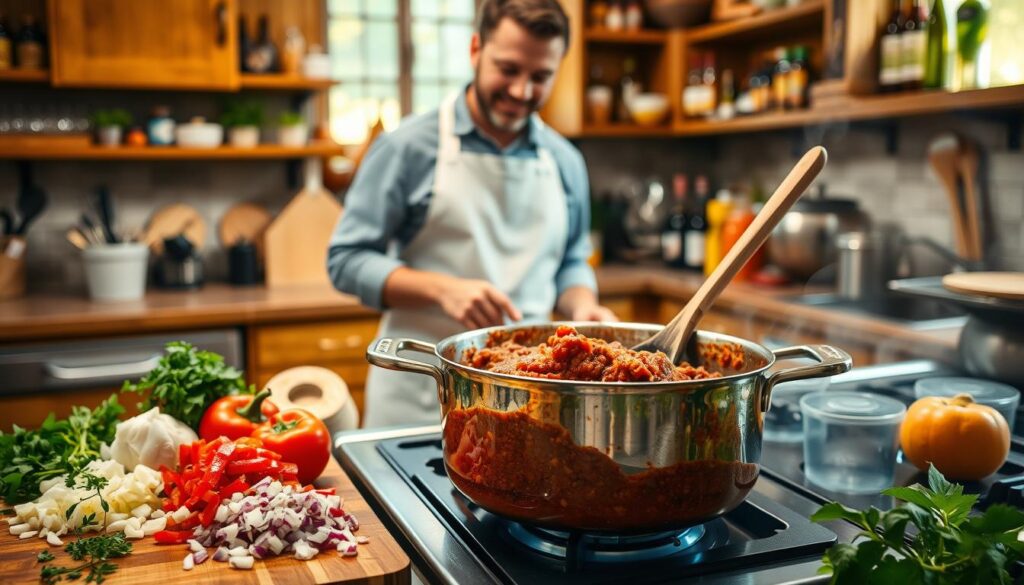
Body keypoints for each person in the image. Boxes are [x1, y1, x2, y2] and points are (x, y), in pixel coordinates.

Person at [327, 0, 617, 428]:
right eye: (508, 69)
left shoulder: (565, 160)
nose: (521, 91)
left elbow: (571, 258)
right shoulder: (407, 148)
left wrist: (584, 303)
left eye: (540, 77)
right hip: (423, 391)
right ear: (476, 49)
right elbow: (346, 260)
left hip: (529, 398)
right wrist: (444, 290)